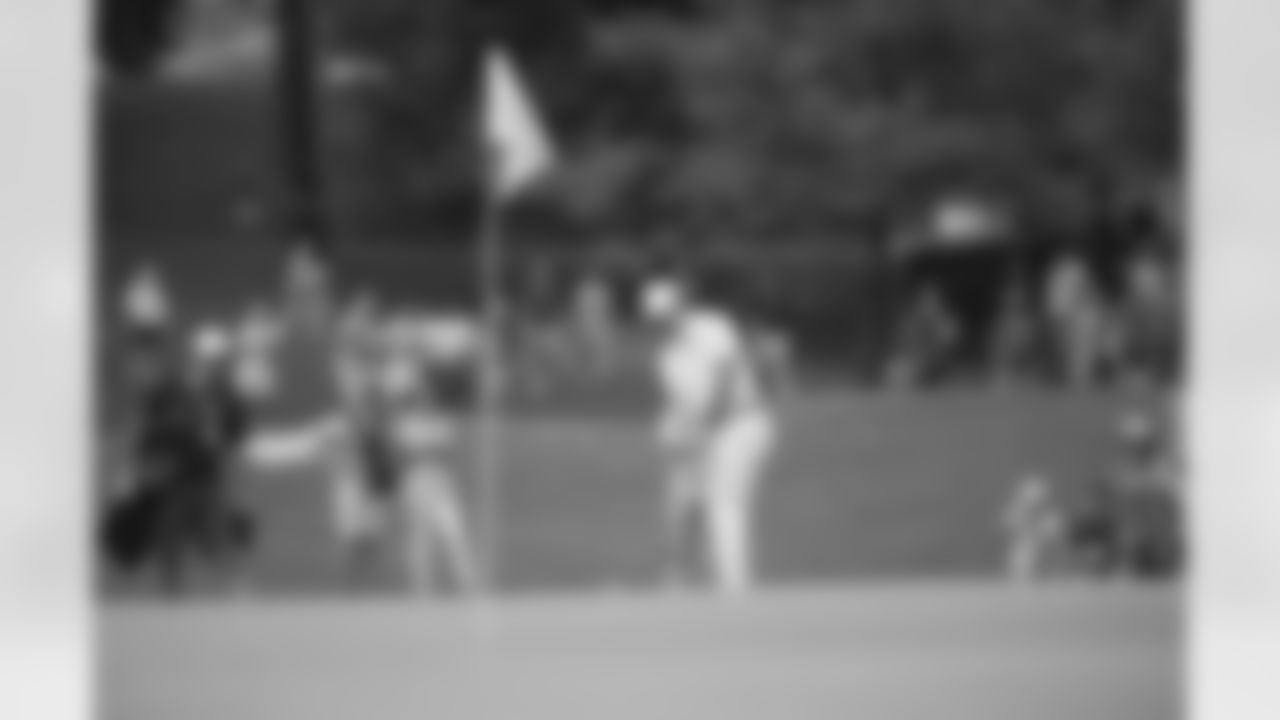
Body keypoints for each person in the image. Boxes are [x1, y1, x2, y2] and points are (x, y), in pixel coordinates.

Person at [641, 274, 777, 596]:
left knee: (723, 501)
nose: (664, 321)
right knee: (694, 500)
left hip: (744, 423)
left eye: (668, 313)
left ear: (681, 307)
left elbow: (724, 382)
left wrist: (698, 429)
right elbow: (686, 406)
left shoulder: (712, 327)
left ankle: (733, 587)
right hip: (715, 432)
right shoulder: (666, 359)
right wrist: (676, 436)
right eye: (657, 318)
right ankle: (712, 582)